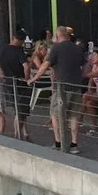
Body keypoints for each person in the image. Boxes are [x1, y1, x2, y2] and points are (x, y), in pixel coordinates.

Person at [35, 26, 87, 154]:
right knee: (74, 115)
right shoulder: (77, 48)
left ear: (57, 36)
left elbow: (45, 65)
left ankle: (59, 142)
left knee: (55, 114)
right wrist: (82, 77)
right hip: (76, 86)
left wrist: (35, 77)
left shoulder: (55, 48)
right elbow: (86, 65)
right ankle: (74, 144)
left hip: (61, 87)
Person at [0, 28, 32, 141]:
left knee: (16, 107)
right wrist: (26, 79)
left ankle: (22, 133)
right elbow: (26, 66)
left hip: (8, 81)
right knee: (21, 110)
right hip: (19, 82)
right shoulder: (19, 51)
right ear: (21, 41)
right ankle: (17, 134)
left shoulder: (3, 50)